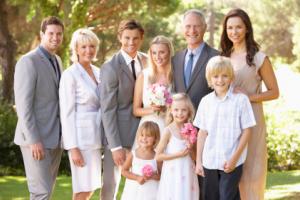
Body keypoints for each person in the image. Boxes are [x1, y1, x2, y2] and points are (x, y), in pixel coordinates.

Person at [220, 8, 279, 199]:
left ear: (247, 29)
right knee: (229, 176)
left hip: (251, 121)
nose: (234, 32)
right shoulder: (223, 57)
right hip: (227, 122)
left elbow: (274, 92)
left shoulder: (259, 58)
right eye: (230, 28)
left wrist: (249, 96)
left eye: (238, 27)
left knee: (252, 174)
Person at [14, 16, 64, 199]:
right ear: (42, 34)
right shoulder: (28, 61)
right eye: (51, 33)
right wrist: (34, 140)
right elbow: (23, 106)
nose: (55, 38)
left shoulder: (57, 60)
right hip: (36, 140)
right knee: (40, 192)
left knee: (47, 192)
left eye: (59, 34)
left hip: (54, 138)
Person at [194, 56, 256, 199]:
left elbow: (247, 131)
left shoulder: (241, 100)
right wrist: (199, 161)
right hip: (210, 160)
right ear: (210, 78)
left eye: (224, 76)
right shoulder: (206, 102)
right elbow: (202, 133)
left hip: (232, 160)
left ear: (231, 77)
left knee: (227, 196)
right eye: (215, 76)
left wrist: (234, 159)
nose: (220, 80)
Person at [100, 19, 147, 200]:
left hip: (144, 134)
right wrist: (115, 146)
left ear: (141, 38)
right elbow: (107, 110)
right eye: (127, 38)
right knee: (111, 186)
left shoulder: (147, 61)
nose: (131, 42)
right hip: (119, 136)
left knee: (141, 184)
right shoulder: (110, 67)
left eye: (135, 38)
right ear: (120, 37)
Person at [59, 28, 102, 200]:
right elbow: (66, 113)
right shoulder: (70, 75)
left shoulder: (99, 72)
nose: (88, 51)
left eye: (92, 46)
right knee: (83, 188)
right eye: (83, 47)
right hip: (81, 141)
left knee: (91, 186)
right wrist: (73, 147)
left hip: (96, 137)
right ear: (76, 49)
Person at [172, 9, 219, 110]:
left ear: (205, 28)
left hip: (206, 122)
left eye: (197, 26)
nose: (192, 31)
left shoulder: (216, 57)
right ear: (182, 28)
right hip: (180, 122)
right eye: (188, 26)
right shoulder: (175, 59)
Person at [156, 93, 199, 200]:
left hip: (188, 173)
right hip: (173, 175)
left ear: (189, 111)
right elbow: (158, 156)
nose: (180, 113)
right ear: (171, 110)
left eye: (184, 110)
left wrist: (190, 146)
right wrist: (178, 155)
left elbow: (195, 158)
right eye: (176, 110)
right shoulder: (168, 131)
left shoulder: (192, 130)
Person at [133, 35, 173, 139]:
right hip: (147, 130)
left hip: (168, 128)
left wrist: (168, 109)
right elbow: (136, 110)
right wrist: (154, 110)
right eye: (154, 52)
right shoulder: (144, 76)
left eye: (162, 52)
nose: (157, 56)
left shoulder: (175, 76)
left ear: (169, 52)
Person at [121, 121, 161, 200]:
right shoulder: (133, 154)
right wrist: (137, 177)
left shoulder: (157, 157)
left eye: (148, 136)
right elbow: (124, 171)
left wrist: (152, 176)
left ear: (155, 139)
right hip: (133, 190)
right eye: (142, 135)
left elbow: (161, 176)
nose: (144, 138)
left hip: (151, 191)